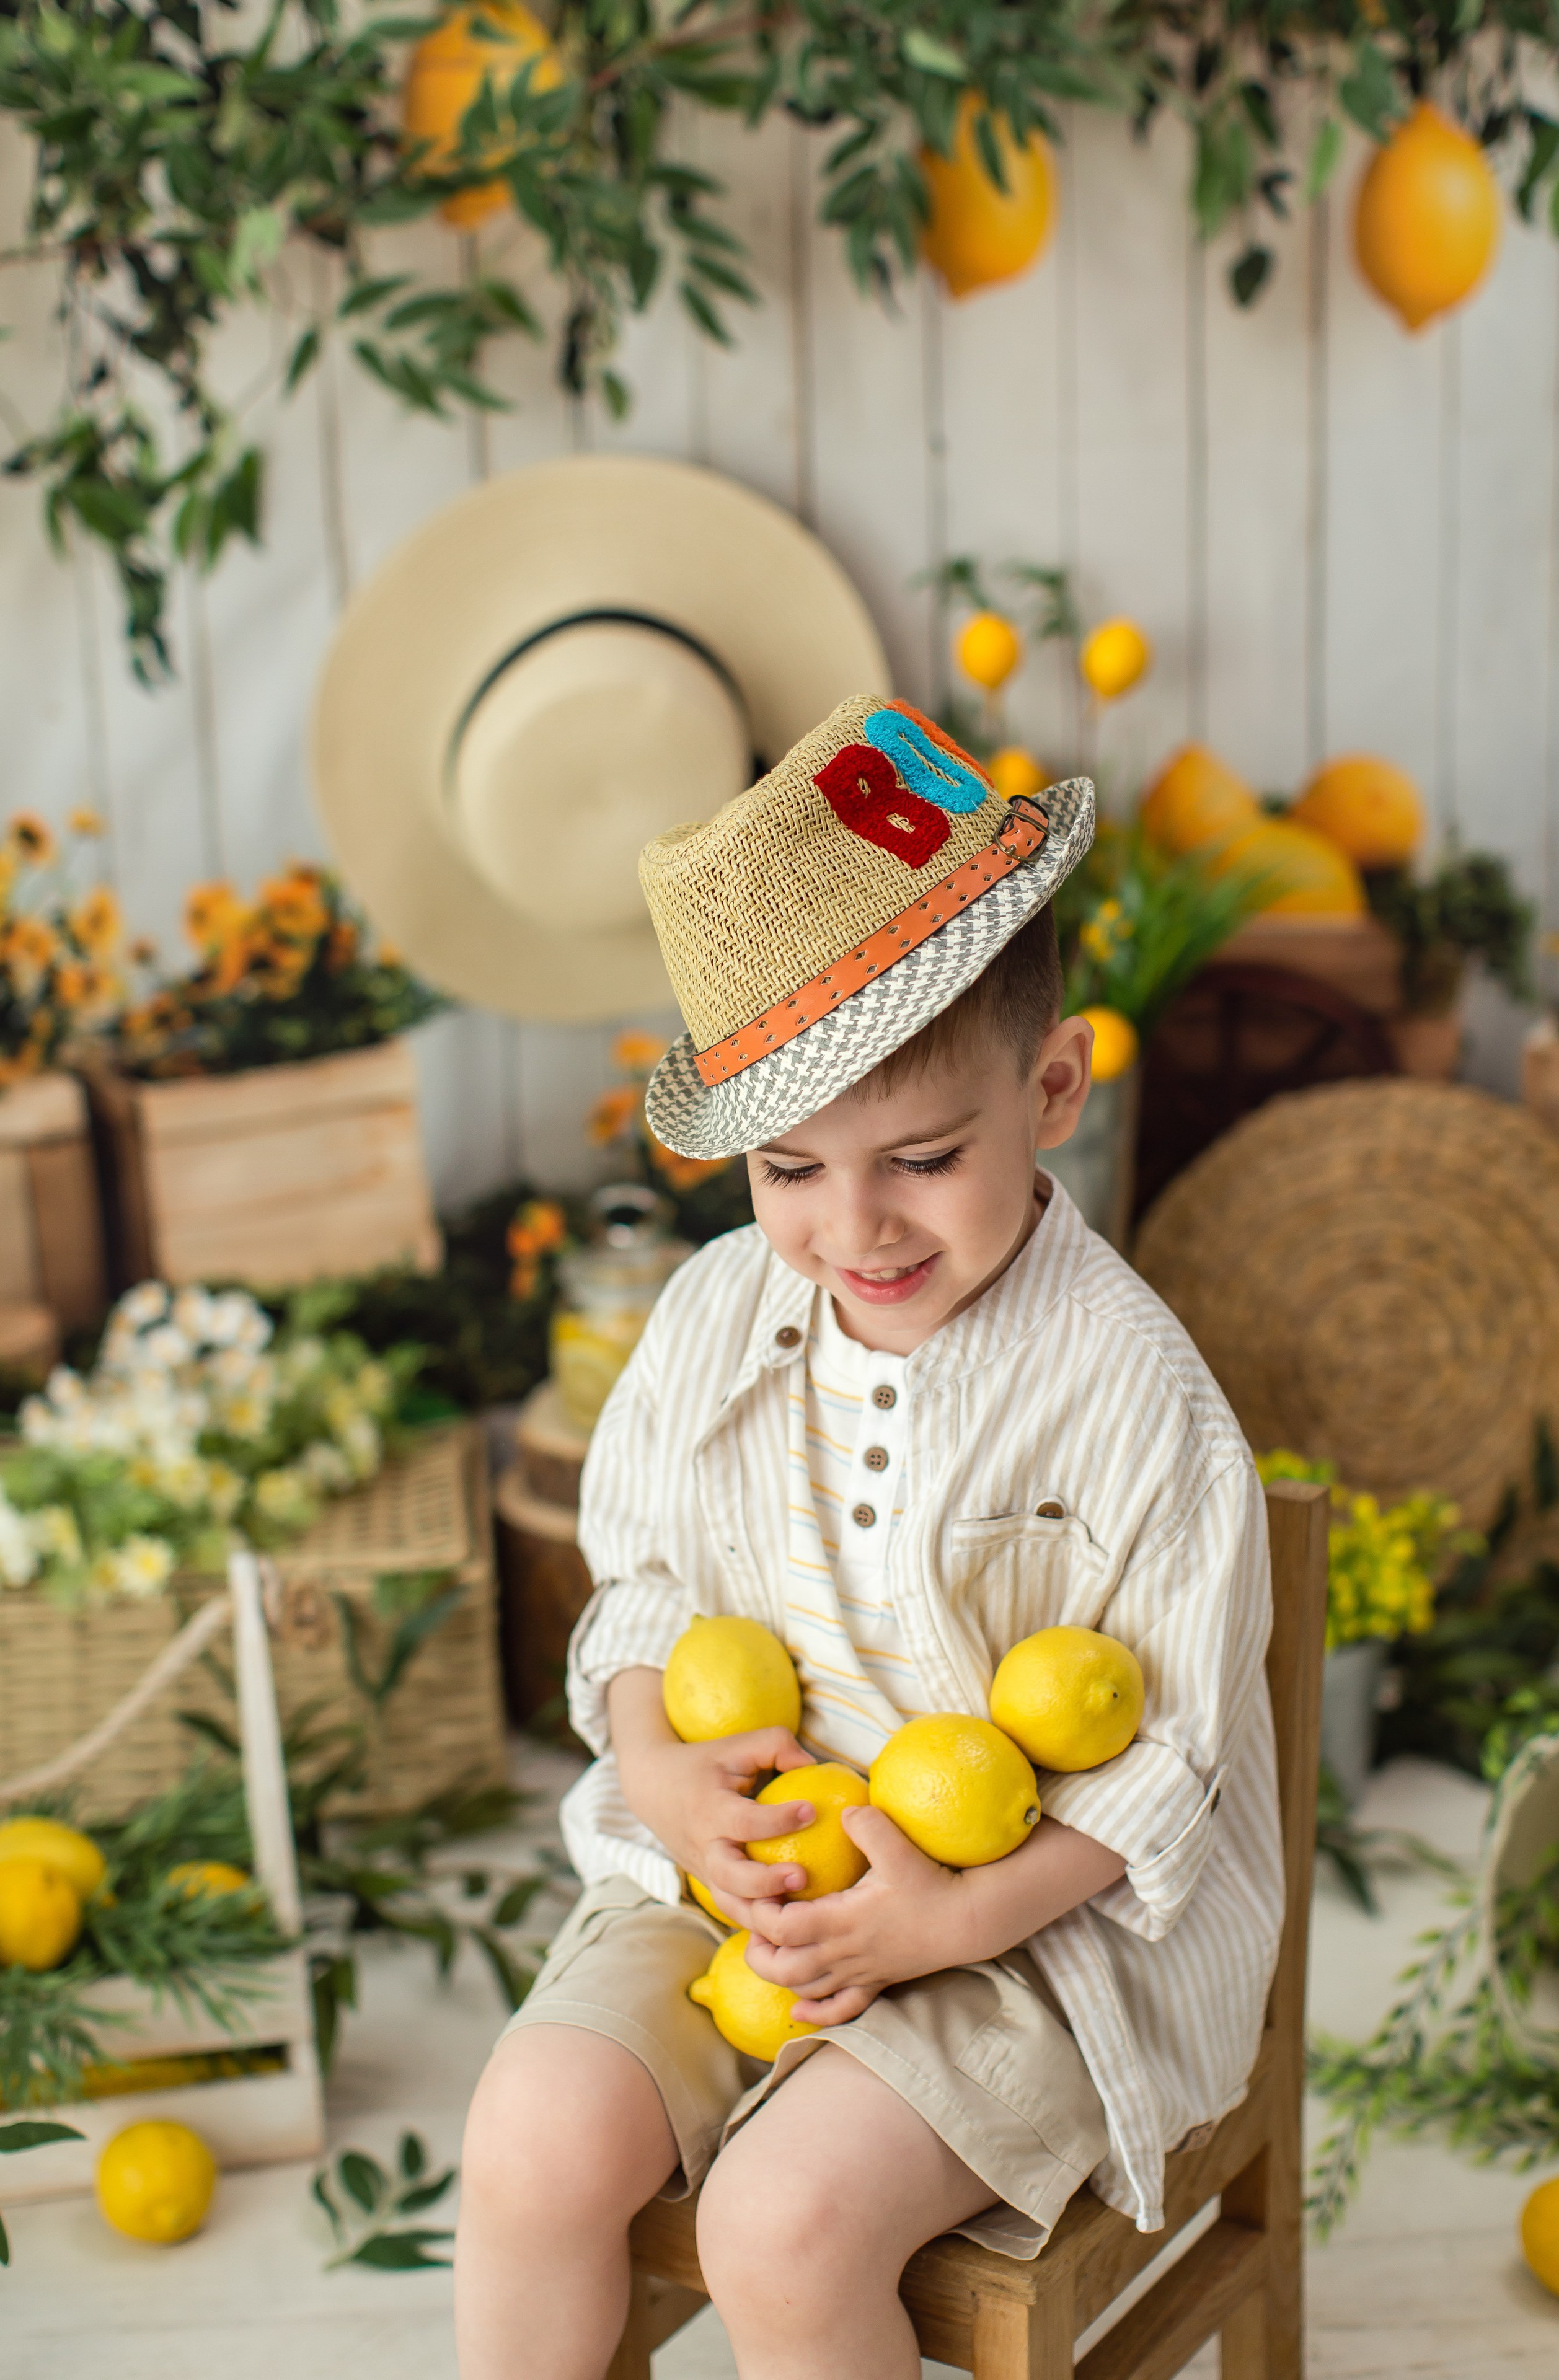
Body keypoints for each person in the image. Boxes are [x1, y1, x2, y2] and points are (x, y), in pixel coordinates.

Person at [455, 696, 1281, 2380]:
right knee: (533, 2137)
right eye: (789, 1170)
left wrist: (950, 1922)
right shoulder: (708, 1322)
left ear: (1051, 1085)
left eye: (921, 1156)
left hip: (1025, 1938)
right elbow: (643, 1596)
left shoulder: (1134, 1395)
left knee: (785, 2225)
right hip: (735, 1880)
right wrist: (669, 1780)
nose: (854, 1228)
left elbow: (1176, 1758)